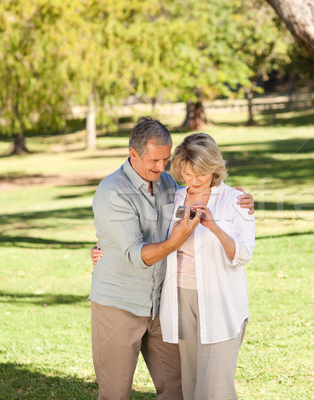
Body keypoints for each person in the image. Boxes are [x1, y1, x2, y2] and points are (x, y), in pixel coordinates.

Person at [89, 117, 253, 400]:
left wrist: (235, 209)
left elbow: (240, 246)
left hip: (174, 304)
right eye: (154, 160)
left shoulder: (170, 185)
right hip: (129, 302)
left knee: (188, 389)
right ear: (133, 153)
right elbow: (133, 248)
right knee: (119, 393)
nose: (161, 167)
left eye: (166, 160)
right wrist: (105, 247)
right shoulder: (122, 191)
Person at [160, 133, 255, 400]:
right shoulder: (175, 199)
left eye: (199, 175)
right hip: (180, 298)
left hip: (220, 300)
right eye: (187, 174)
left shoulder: (236, 200)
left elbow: (244, 253)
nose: (192, 181)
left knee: (215, 388)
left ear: (213, 167)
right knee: (190, 385)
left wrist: (212, 226)